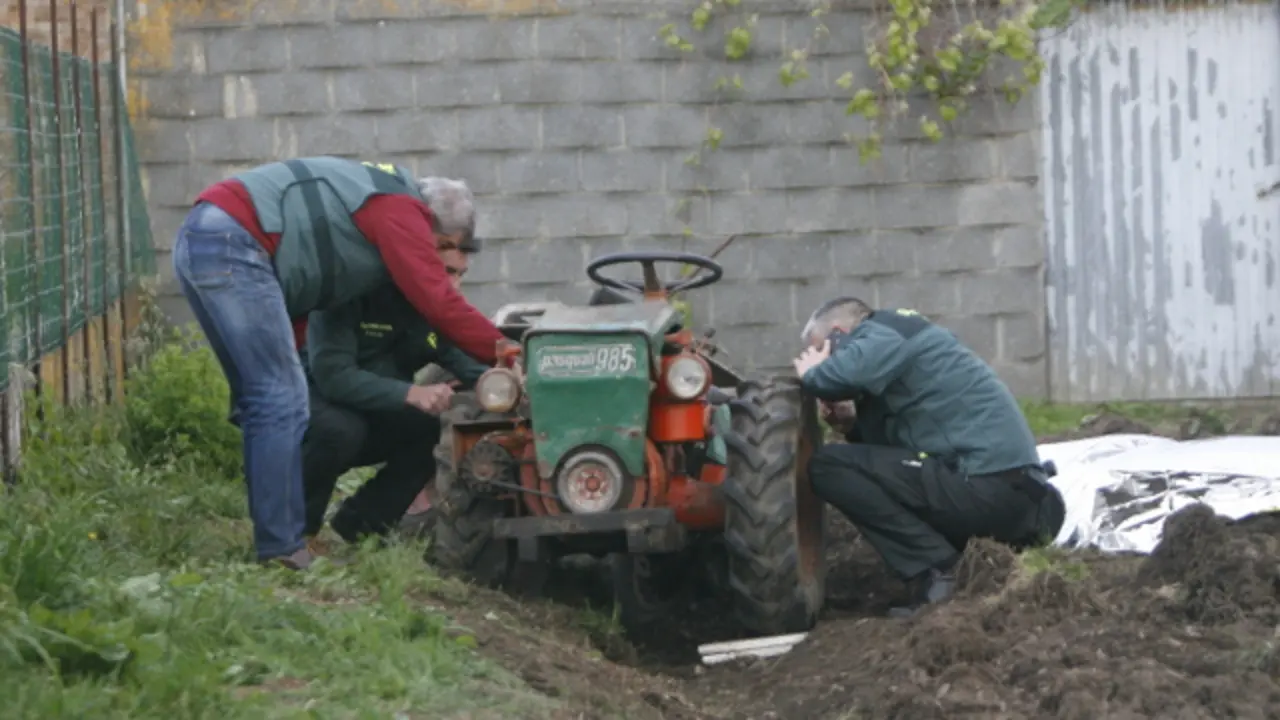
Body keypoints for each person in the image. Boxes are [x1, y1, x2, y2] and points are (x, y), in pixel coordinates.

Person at [172, 157, 506, 570]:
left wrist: (509, 380)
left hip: (215, 236)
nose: (437, 263)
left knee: (275, 400)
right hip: (231, 239)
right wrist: (511, 354)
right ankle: (281, 549)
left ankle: (303, 536)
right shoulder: (399, 210)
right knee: (281, 400)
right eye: (442, 247)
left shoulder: (370, 226)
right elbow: (440, 303)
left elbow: (451, 338)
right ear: (434, 229)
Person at [792, 297, 1065, 618]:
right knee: (850, 464)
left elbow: (835, 377)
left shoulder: (884, 331)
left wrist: (812, 374)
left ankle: (938, 572)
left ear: (840, 334)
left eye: (823, 349)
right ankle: (954, 566)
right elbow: (892, 463)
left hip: (988, 490)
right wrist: (851, 424)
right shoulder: (908, 352)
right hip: (1021, 502)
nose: (822, 357)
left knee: (828, 465)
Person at [301, 242, 488, 552]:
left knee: (437, 430)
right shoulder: (349, 291)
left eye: (461, 274)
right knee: (342, 430)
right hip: (313, 407)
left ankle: (359, 526)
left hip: (372, 411)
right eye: (447, 272)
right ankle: (296, 534)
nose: (454, 285)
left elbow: (470, 364)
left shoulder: (431, 311)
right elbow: (333, 376)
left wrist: (512, 379)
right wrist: (411, 393)